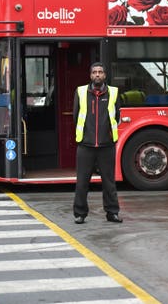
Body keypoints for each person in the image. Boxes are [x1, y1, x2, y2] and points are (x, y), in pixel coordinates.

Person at [73, 62, 122, 224]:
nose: (97, 75)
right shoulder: (80, 91)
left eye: (100, 72)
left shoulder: (113, 92)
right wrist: (86, 135)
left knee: (109, 181)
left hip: (106, 145)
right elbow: (76, 116)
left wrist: (107, 134)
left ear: (105, 75)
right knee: (82, 182)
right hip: (85, 145)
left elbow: (116, 117)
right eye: (94, 72)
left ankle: (112, 213)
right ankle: (80, 214)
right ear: (90, 75)